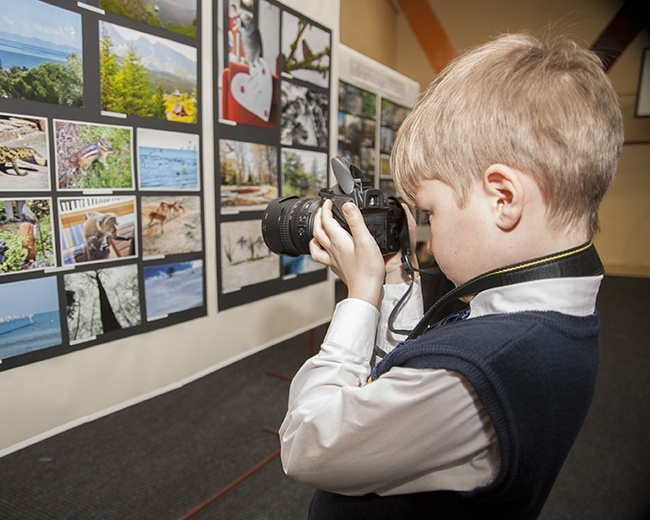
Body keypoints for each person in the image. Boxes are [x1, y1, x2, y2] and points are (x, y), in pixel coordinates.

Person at [279, 32, 624, 519]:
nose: (430, 237)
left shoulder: (478, 371)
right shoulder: (542, 314)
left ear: (503, 199)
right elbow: (419, 360)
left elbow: (306, 443)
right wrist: (394, 279)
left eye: (431, 213)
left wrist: (360, 298)